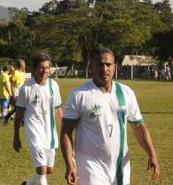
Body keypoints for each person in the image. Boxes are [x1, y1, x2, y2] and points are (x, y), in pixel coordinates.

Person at [60, 47, 160, 185]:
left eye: (108, 64)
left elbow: (138, 126)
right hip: (90, 166)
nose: (104, 69)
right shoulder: (79, 94)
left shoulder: (126, 93)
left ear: (114, 67)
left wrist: (152, 154)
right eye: (100, 64)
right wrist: (69, 164)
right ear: (91, 67)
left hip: (120, 167)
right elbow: (66, 131)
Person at [13, 53, 62, 185]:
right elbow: (18, 114)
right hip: (34, 132)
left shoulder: (54, 86)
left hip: (49, 133)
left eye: (47, 68)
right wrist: (16, 136)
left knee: (48, 169)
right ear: (34, 69)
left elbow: (57, 109)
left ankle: (27, 184)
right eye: (41, 68)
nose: (45, 71)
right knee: (41, 169)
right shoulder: (26, 88)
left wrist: (64, 132)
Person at [3, 59, 26, 125]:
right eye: (24, 64)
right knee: (20, 108)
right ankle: (23, 122)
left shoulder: (22, 73)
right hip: (16, 94)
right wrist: (13, 95)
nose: (25, 65)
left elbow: (23, 84)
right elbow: (12, 84)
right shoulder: (16, 73)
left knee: (18, 108)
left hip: (21, 93)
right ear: (21, 65)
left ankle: (6, 118)